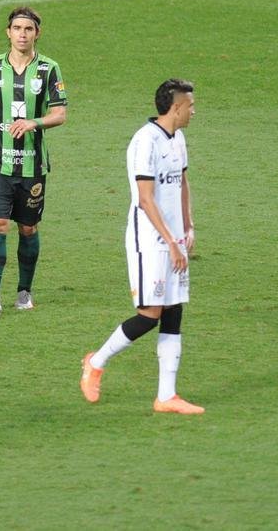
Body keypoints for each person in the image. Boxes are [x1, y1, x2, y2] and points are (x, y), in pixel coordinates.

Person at [80, 79, 203, 414]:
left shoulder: (178, 139)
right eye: (190, 105)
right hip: (149, 241)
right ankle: (96, 362)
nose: (193, 111)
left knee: (174, 311)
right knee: (150, 315)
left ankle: (166, 396)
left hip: (174, 240)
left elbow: (183, 183)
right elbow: (146, 200)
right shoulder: (145, 141)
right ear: (176, 107)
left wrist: (188, 227)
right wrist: (171, 242)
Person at [0, 6, 67, 316]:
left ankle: (24, 291)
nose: (22, 34)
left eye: (28, 29)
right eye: (17, 28)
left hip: (32, 166)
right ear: (8, 33)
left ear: (37, 33)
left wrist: (33, 123)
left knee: (27, 228)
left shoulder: (49, 69)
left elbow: (60, 114)